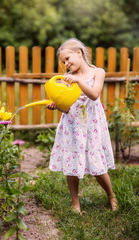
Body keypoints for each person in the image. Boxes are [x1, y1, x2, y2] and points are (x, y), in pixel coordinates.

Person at [46, 38, 118, 213]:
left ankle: (111, 196)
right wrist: (57, 106)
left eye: (68, 58)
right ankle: (75, 204)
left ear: (79, 52)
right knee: (71, 163)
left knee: (97, 164)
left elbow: (94, 95)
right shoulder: (67, 79)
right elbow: (68, 108)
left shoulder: (97, 72)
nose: (67, 64)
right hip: (72, 124)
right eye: (64, 62)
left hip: (91, 124)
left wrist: (78, 81)